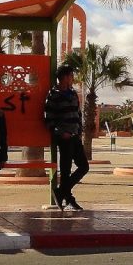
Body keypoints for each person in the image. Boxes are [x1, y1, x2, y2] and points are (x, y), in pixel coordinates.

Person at [43, 66, 87, 210]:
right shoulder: (53, 94)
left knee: (84, 166)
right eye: (71, 75)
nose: (72, 78)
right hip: (64, 138)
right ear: (65, 77)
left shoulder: (73, 93)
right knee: (66, 170)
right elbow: (48, 118)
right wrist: (60, 133)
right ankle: (68, 198)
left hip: (75, 136)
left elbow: (78, 114)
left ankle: (61, 192)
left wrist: (79, 131)